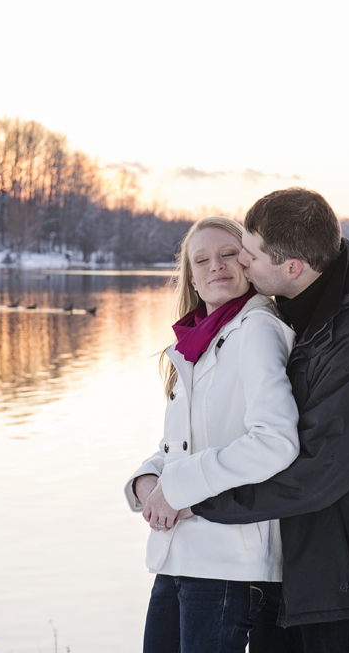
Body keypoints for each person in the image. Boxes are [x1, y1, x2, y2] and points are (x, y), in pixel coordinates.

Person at [191, 188, 349, 653]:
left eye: (251, 254)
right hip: (295, 575)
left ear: (292, 267)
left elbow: (316, 473)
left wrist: (199, 500)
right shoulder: (305, 317)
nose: (241, 261)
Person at [124, 217, 300, 653]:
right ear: (192, 279)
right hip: (180, 553)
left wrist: (179, 489)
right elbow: (189, 443)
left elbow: (275, 442)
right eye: (201, 260)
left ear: (248, 262)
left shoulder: (256, 329)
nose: (215, 266)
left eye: (227, 254)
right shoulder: (197, 343)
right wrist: (149, 480)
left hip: (228, 560)